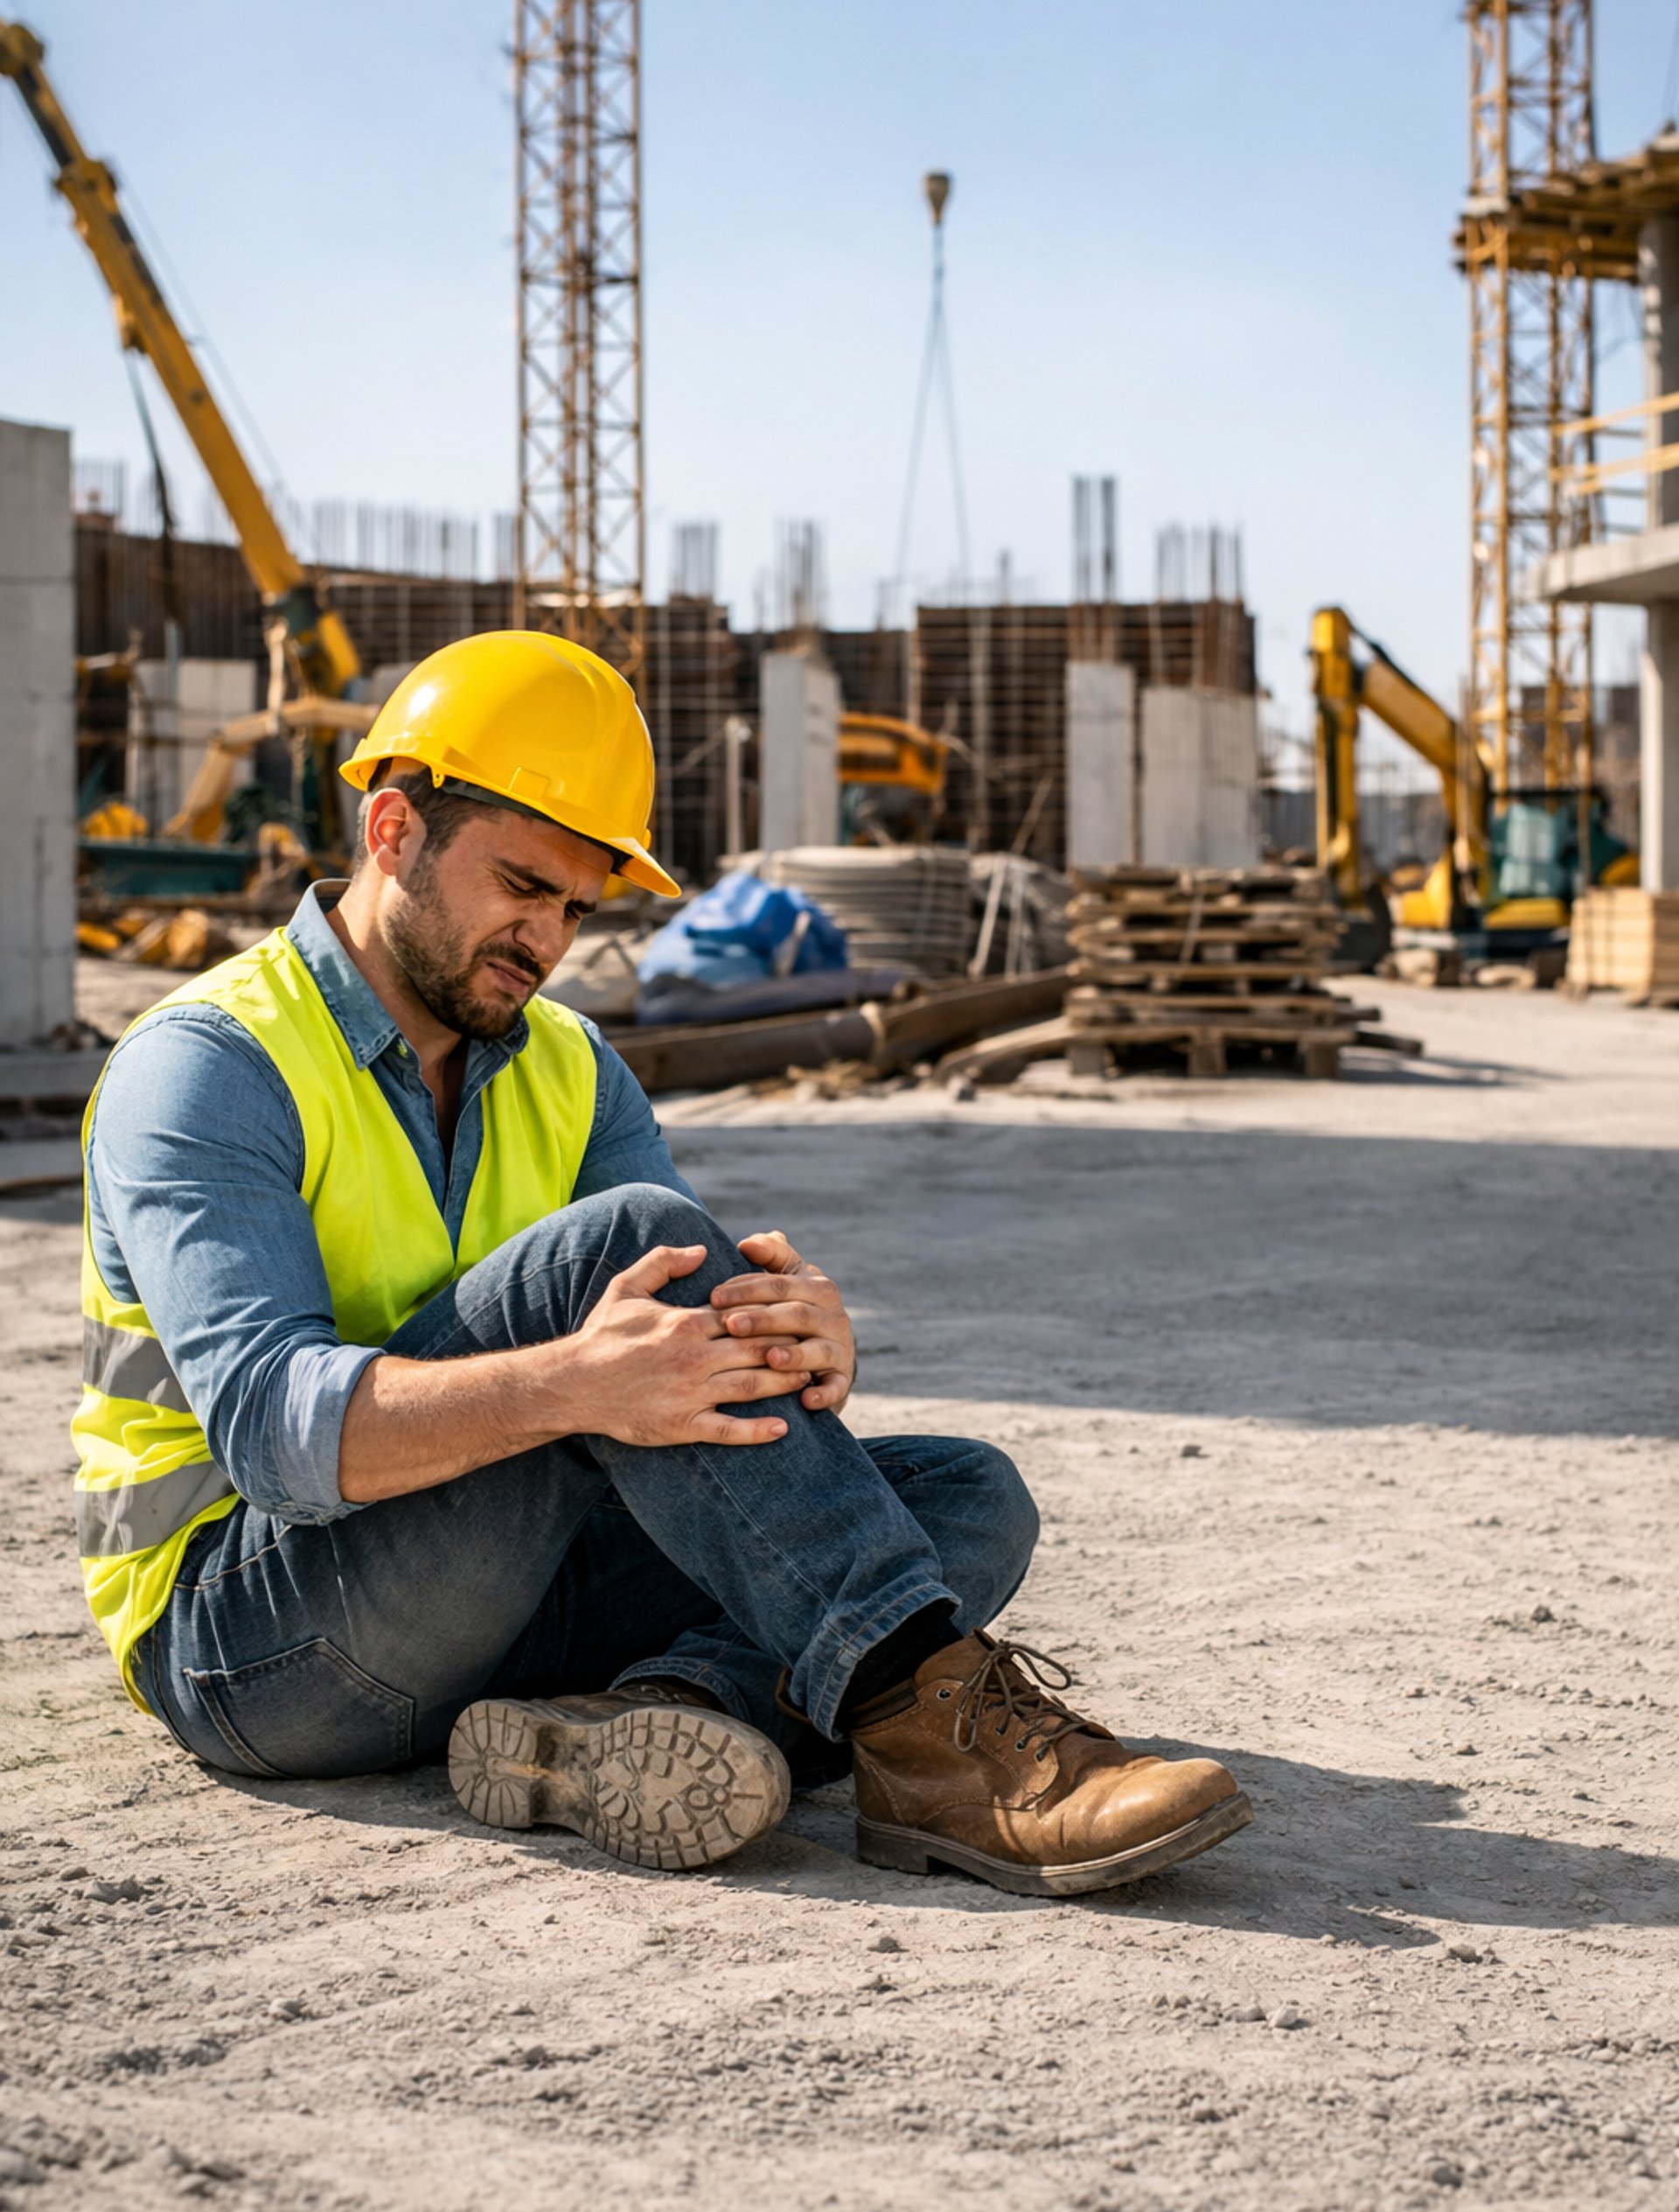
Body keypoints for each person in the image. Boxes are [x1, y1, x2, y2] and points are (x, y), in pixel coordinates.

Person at [73, 632, 1251, 1897]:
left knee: (968, 1498)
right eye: (522, 885)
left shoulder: (570, 1066)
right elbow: (271, 1437)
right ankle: (923, 1737)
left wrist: (795, 1352)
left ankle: (644, 1719)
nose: (546, 939)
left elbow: (689, 1387)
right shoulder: (211, 1064)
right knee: (636, 1245)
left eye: (577, 908)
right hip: (258, 1638)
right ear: (395, 829)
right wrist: (575, 1387)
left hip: (502, 1603)